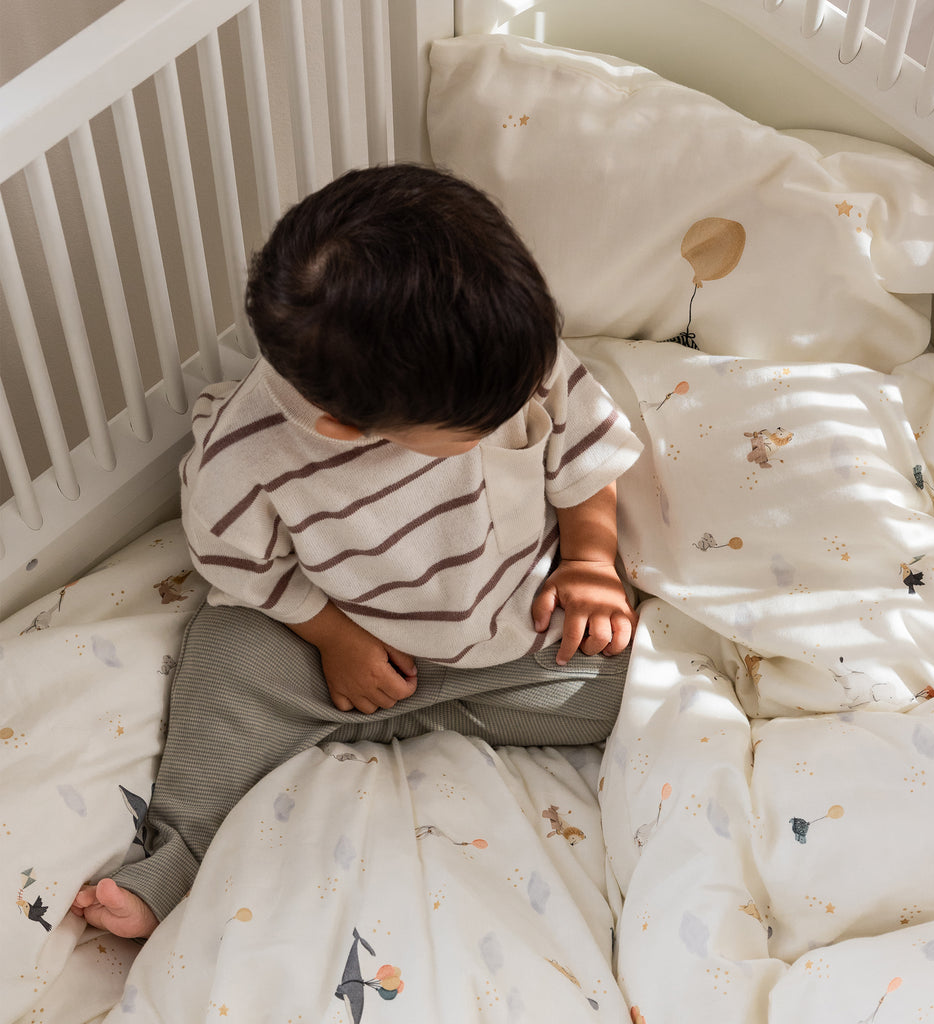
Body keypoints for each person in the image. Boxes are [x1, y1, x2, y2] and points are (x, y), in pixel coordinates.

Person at [70, 164, 642, 939]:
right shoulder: (245, 458)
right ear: (347, 429)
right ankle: (178, 853)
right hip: (338, 635)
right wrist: (334, 638)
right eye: (476, 430)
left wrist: (589, 562)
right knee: (228, 661)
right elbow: (241, 565)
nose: (525, 401)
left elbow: (586, 455)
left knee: (623, 683)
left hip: (506, 624)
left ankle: (369, 718)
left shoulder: (509, 353)